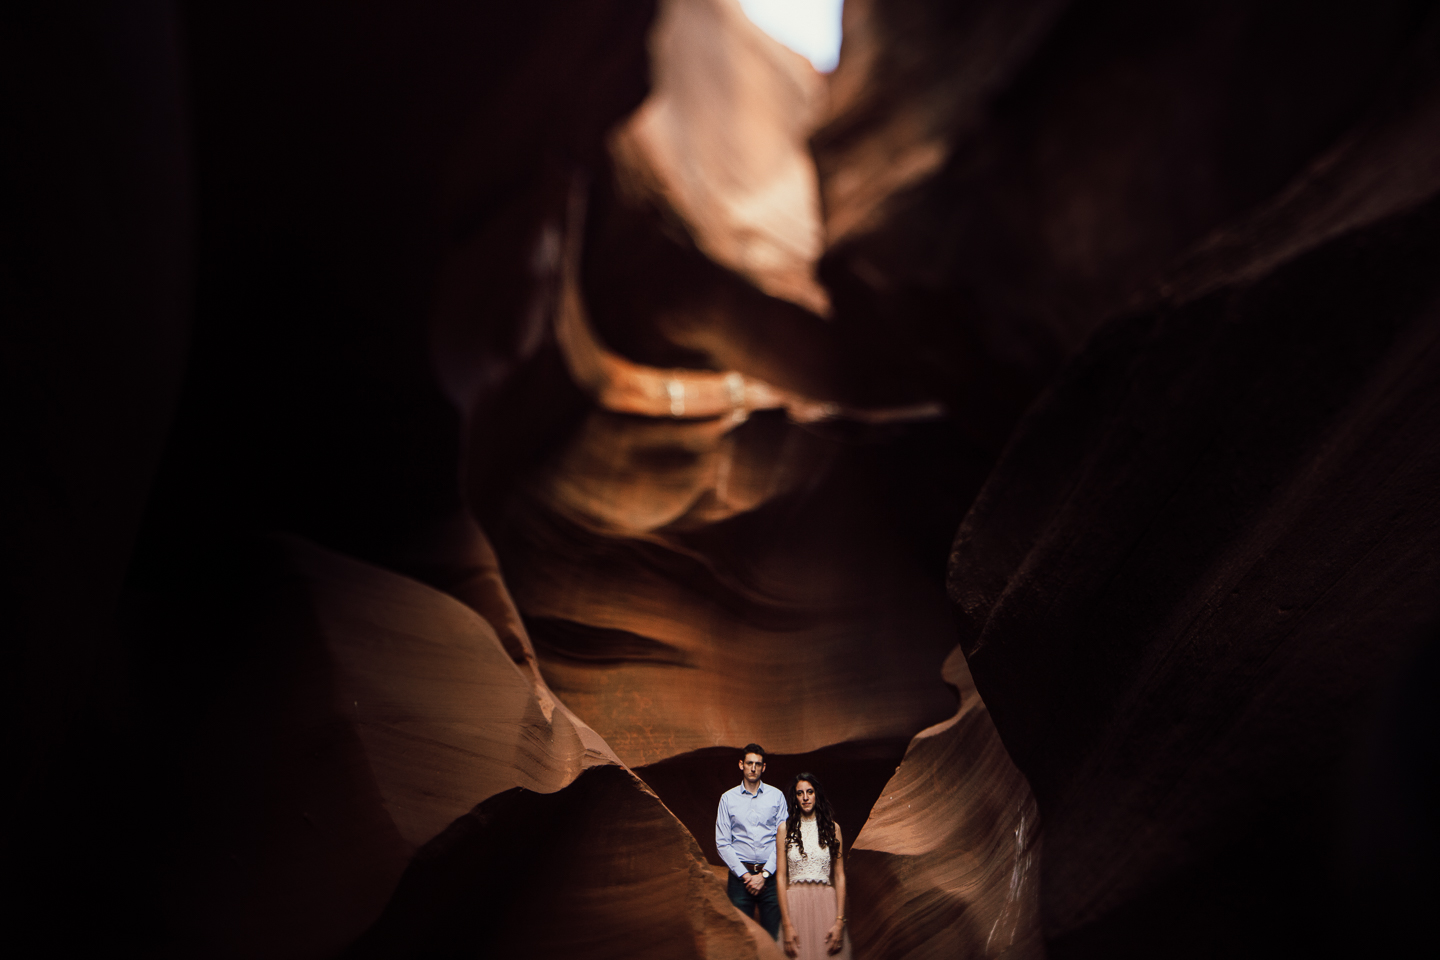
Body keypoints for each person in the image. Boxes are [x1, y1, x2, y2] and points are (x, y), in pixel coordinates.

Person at [716, 743, 789, 938]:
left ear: (763, 767)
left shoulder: (776, 797)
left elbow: (783, 840)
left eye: (758, 764)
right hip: (740, 878)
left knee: (774, 938)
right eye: (749, 763)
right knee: (740, 937)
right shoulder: (727, 799)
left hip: (771, 878)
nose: (753, 768)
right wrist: (746, 876)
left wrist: (764, 875)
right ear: (741, 765)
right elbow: (723, 843)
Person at [776, 773, 851, 959]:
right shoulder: (784, 829)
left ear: (817, 795)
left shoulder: (833, 829)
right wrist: (786, 924)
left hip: (826, 906)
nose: (806, 797)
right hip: (795, 908)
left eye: (810, 792)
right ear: (795, 798)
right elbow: (780, 877)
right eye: (800, 793)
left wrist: (839, 922)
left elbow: (840, 876)